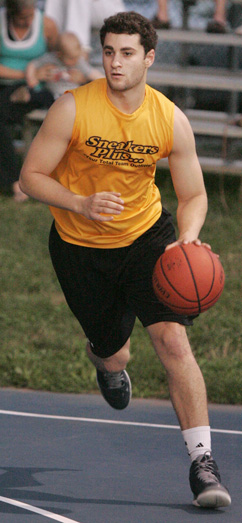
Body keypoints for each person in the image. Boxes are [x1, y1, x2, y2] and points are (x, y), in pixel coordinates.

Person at [19, 11, 231, 509]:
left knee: (172, 338)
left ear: (149, 57)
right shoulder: (73, 108)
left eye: (128, 52)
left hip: (146, 240)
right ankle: (105, 358)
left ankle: (203, 464)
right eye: (109, 51)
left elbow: (194, 194)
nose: (116, 63)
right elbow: (32, 176)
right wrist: (80, 203)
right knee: (115, 351)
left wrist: (188, 239)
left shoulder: (167, 118)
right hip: (79, 246)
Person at [0, 0, 58, 201]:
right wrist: (25, 74)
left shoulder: (47, 25)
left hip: (32, 90)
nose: (27, 21)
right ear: (10, 13)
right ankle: (17, 182)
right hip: (7, 85)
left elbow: (56, 56)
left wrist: (39, 74)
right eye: (22, 18)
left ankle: (14, 182)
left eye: (30, 15)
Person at [23, 32, 103, 101]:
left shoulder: (78, 62)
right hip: (52, 93)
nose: (75, 60)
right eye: (71, 58)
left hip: (73, 95)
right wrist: (31, 78)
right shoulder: (50, 58)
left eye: (77, 57)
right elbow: (32, 64)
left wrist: (105, 81)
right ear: (59, 54)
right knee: (38, 96)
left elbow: (92, 73)